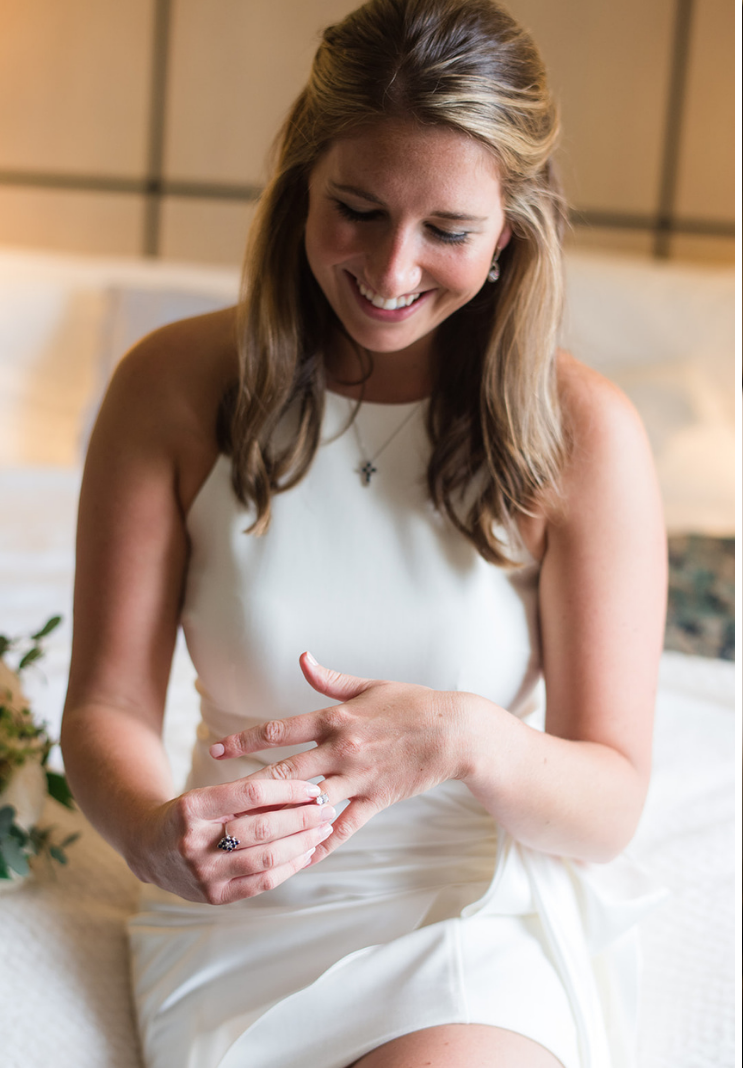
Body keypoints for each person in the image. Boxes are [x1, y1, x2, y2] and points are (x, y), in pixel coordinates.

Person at [59, 2, 665, 1066]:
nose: (391, 273)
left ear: (511, 231)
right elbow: (108, 704)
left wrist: (468, 736)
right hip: (235, 906)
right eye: (357, 209)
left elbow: (609, 803)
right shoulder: (169, 385)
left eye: (447, 231)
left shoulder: (585, 435)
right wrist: (154, 836)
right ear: (301, 186)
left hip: (460, 909)